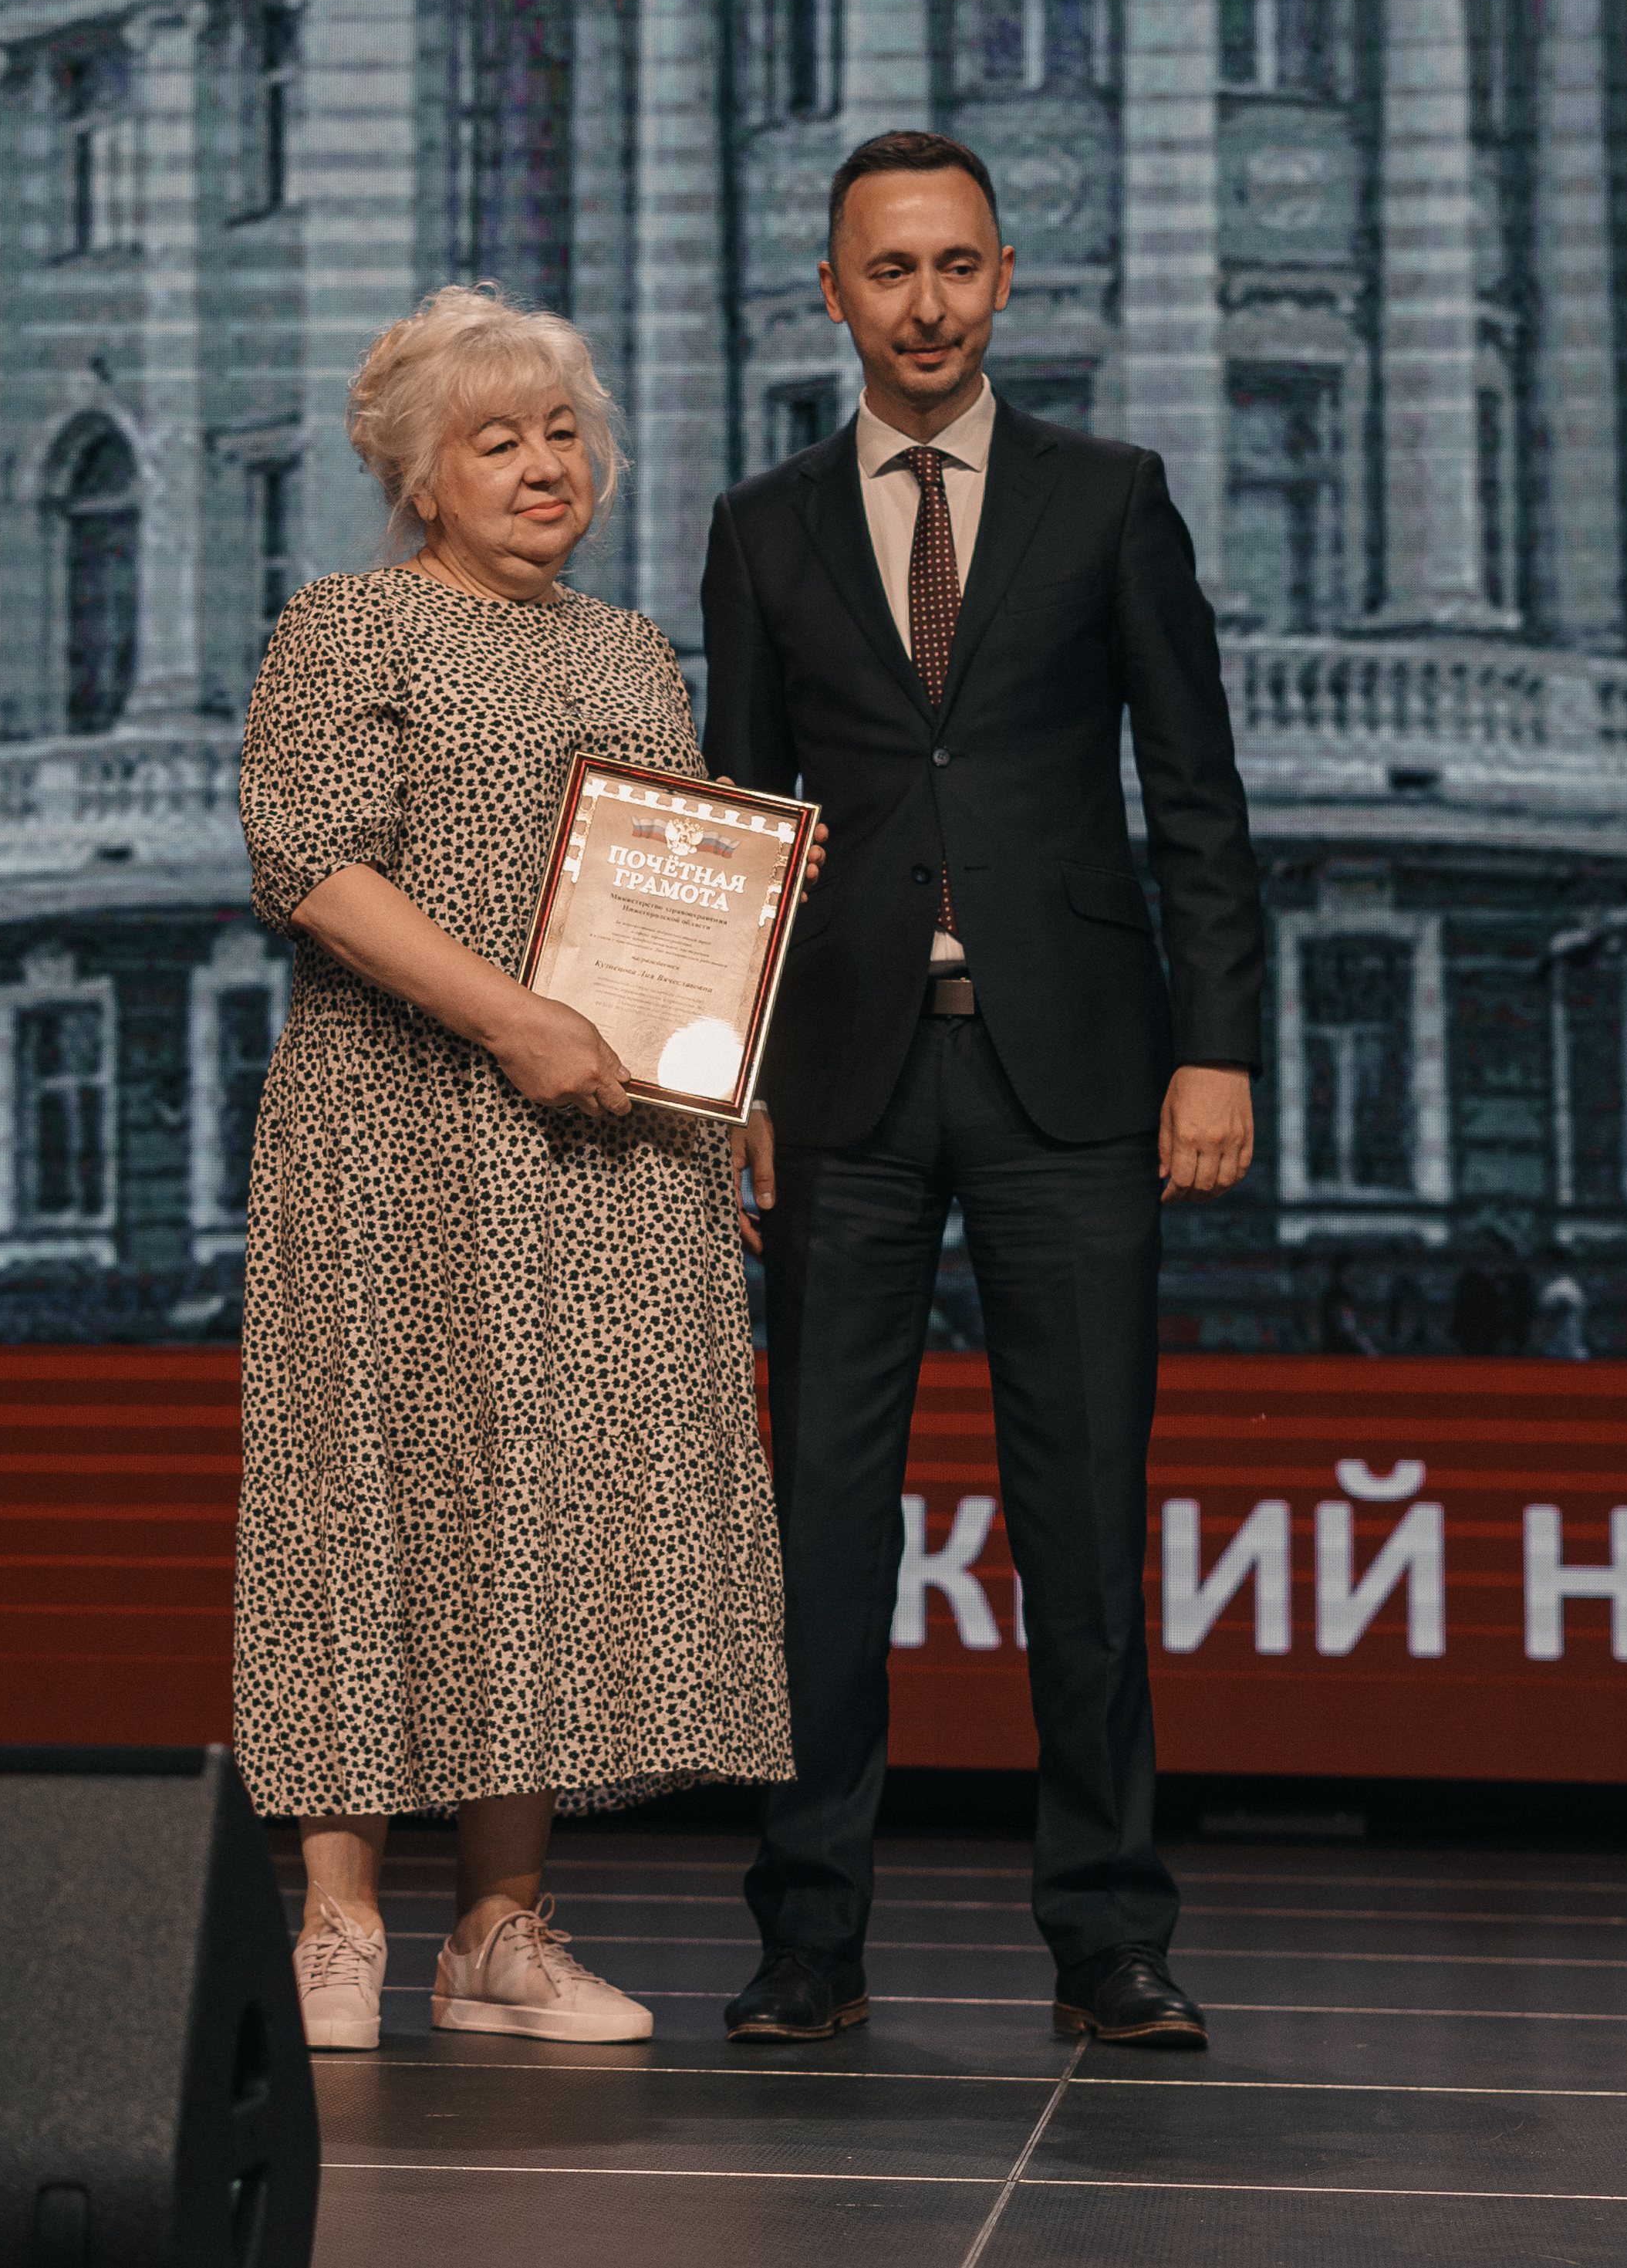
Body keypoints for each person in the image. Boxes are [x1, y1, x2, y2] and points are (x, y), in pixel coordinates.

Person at [700, 130, 1264, 2051]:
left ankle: (1109, 1933)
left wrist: (1219, 1043)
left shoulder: (1112, 499)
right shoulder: (762, 524)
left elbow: (1197, 794)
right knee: (823, 1530)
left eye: (955, 267)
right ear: (832, 292)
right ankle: (806, 1936)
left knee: (1082, 1527)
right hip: (840, 1087)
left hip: (1083, 1079)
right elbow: (745, 822)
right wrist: (734, 1074)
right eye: (887, 271)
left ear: (1004, 280)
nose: (923, 304)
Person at [235, 284, 793, 2053]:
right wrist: (512, 1022)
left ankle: (500, 1929)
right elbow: (310, 864)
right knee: (370, 1484)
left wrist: (732, 1072)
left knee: (540, 1512)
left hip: (604, 1149)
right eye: (496, 441)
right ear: (417, 472)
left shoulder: (632, 651)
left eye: (561, 434)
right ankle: (335, 1923)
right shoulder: (346, 629)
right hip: (391, 1134)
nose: (542, 467)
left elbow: (678, 900)